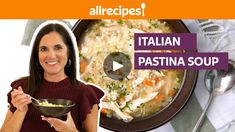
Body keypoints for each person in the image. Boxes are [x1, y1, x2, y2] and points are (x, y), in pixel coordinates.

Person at [0, 21, 104, 132]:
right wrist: (20, 111)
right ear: (37, 55)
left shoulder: (86, 94)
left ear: (69, 52)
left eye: (58, 48)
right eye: (44, 49)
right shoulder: (22, 88)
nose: (51, 55)